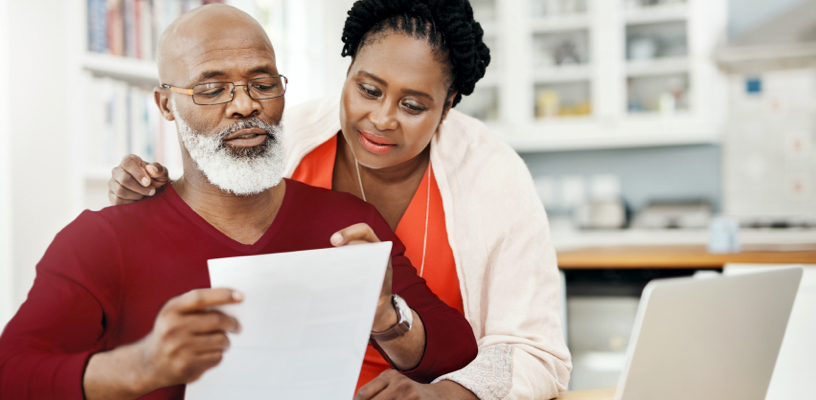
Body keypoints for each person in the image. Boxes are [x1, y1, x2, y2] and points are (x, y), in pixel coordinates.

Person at [0, 6, 479, 400]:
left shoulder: (348, 222)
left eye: (263, 83)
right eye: (212, 88)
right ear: (166, 105)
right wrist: (142, 366)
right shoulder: (100, 240)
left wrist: (386, 317)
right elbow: (13, 373)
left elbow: (457, 348)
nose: (246, 104)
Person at [109, 1, 572, 399]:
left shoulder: (491, 175)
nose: (382, 118)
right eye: (367, 89)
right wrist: (146, 200)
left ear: (448, 105)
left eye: (413, 106)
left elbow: (536, 352)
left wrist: (443, 394)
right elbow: (208, 237)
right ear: (347, 72)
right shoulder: (285, 142)